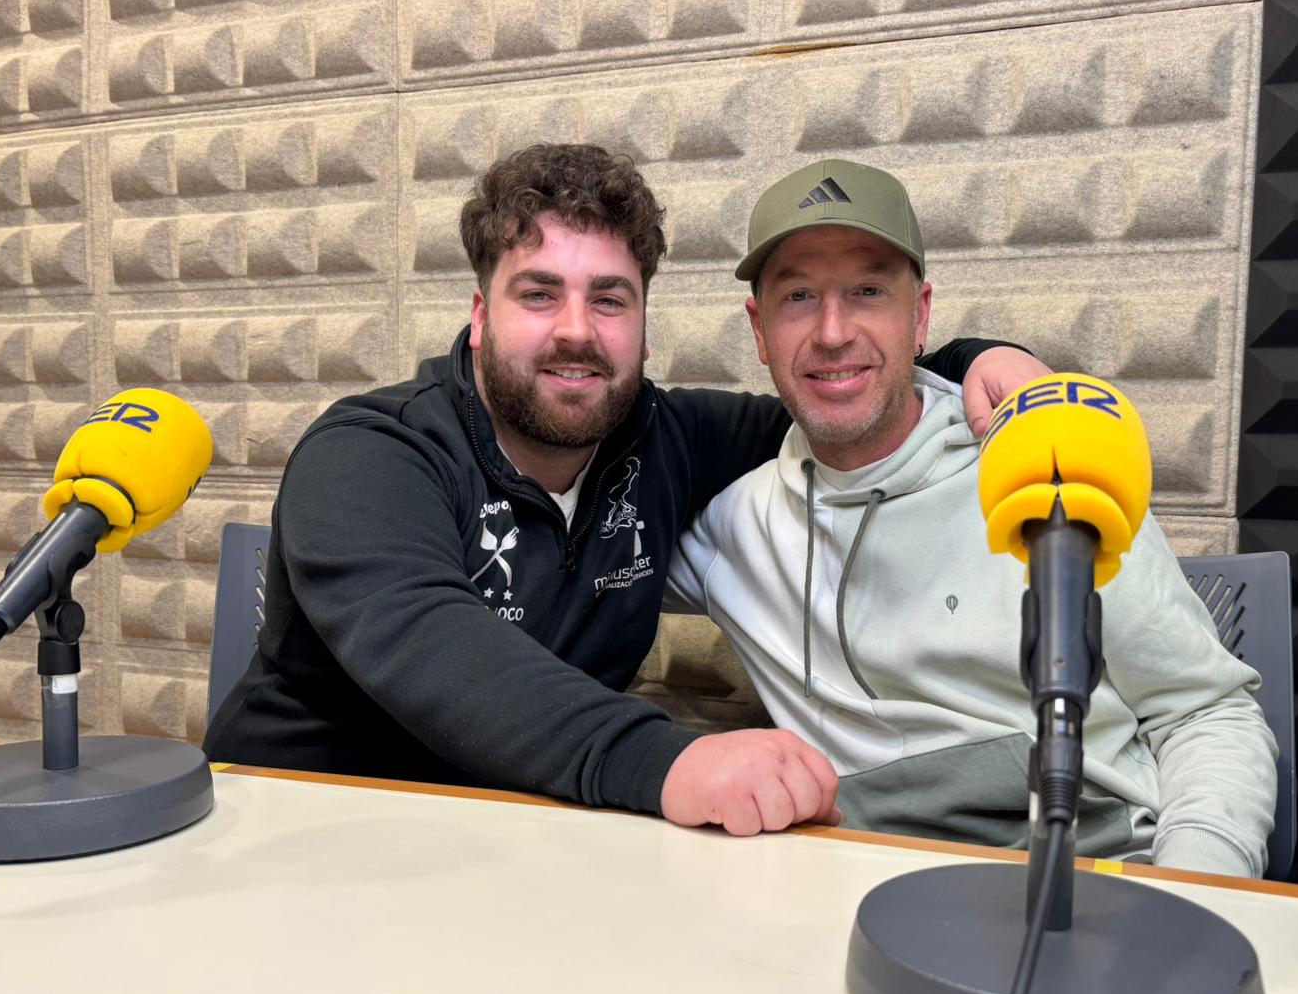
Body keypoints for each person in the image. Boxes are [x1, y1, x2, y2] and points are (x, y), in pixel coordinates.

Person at [203, 143, 1052, 837]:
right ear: (480, 314)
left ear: (644, 324)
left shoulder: (663, 439)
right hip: (301, 836)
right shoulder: (370, 454)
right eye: (539, 294)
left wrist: (973, 359)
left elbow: (830, 394)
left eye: (609, 299)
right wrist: (667, 761)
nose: (576, 330)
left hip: (523, 849)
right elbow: (437, 647)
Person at [666, 158, 1278, 876]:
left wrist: (1192, 892)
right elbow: (590, 568)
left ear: (920, 315)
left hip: (1089, 869)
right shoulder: (735, 526)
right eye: (798, 296)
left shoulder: (1047, 469)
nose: (832, 331)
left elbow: (1205, 712)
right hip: (860, 884)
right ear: (759, 329)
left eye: (868, 291)